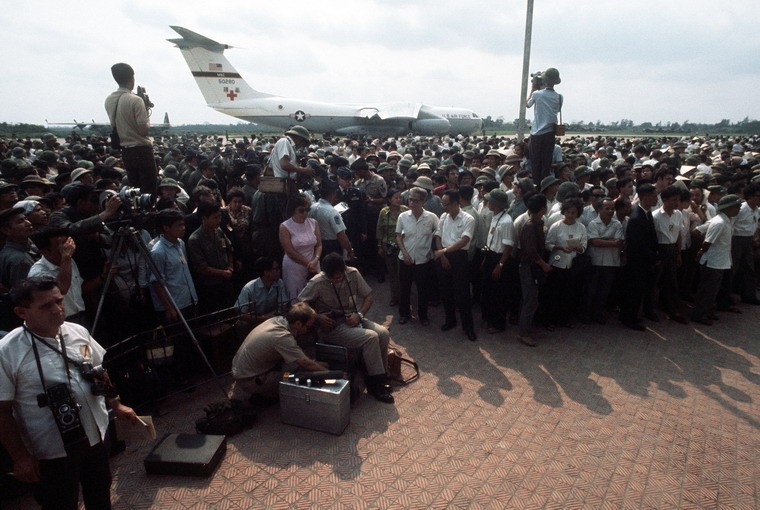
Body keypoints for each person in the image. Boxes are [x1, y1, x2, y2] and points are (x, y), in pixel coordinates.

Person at [0, 277, 138, 510]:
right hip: (51, 453)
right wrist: (20, 457)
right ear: (21, 312)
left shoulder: (77, 332)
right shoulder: (7, 351)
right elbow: (2, 412)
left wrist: (116, 404)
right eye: (46, 306)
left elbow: (98, 371)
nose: (57, 310)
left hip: (95, 438)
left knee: (100, 496)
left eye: (59, 301)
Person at [297, 253, 394, 403]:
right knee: (370, 337)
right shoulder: (317, 282)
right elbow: (299, 305)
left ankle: (382, 375)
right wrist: (317, 317)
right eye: (334, 278)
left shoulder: (353, 274)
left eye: (340, 276)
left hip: (353, 318)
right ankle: (375, 384)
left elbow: (368, 296)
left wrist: (359, 315)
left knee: (382, 333)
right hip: (333, 326)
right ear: (326, 275)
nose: (338, 280)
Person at [230, 302, 328, 402]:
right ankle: (263, 394)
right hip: (251, 379)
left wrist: (318, 365)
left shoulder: (277, 321)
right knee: (298, 373)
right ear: (298, 323)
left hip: (243, 371)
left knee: (297, 363)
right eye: (308, 327)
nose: (308, 330)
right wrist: (330, 374)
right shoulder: (282, 337)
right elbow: (305, 363)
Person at [104, 63, 158, 195]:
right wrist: (146, 112)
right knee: (149, 191)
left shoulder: (109, 100)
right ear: (132, 78)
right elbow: (143, 131)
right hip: (142, 150)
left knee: (135, 191)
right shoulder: (136, 100)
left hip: (126, 152)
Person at [691, 195, 743, 325]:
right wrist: (701, 254)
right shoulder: (719, 223)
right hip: (713, 262)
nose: (739, 209)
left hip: (721, 261)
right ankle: (699, 314)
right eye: (737, 207)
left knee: (713, 290)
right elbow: (707, 242)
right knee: (707, 290)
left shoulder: (726, 220)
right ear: (729, 208)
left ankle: (707, 311)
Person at [434, 190, 477, 341]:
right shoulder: (444, 217)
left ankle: (468, 327)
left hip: (459, 257)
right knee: (445, 291)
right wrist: (443, 254)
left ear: (455, 203)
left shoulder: (468, 218)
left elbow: (464, 241)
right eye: (442, 203)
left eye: (445, 204)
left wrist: (443, 251)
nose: (443, 207)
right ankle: (450, 320)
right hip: (444, 256)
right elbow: (438, 236)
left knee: (462, 294)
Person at [619, 184, 660, 330]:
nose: (656, 198)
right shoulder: (636, 217)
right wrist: (653, 257)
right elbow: (638, 244)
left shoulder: (647, 213)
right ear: (645, 197)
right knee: (633, 291)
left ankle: (633, 315)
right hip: (637, 262)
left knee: (639, 291)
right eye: (654, 196)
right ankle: (629, 319)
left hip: (645, 261)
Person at [395, 187, 438, 326]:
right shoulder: (403, 217)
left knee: (423, 290)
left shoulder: (431, 218)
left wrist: (435, 253)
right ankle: (404, 314)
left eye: (415, 200)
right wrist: (405, 253)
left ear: (423, 201)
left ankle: (423, 316)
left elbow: (437, 235)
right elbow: (398, 237)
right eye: (410, 199)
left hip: (423, 260)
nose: (412, 203)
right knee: (404, 289)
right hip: (405, 259)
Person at [544, 198, 588, 328]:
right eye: (568, 212)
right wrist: (559, 248)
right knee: (554, 293)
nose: (570, 215)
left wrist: (577, 248)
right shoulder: (556, 226)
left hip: (572, 266)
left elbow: (584, 245)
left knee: (568, 294)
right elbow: (547, 244)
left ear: (577, 213)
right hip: (557, 264)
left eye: (573, 212)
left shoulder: (581, 227)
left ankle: (564, 319)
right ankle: (550, 320)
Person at [186, 200, 235, 314]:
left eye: (219, 217)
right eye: (215, 218)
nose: (219, 220)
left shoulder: (218, 231)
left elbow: (229, 249)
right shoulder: (195, 240)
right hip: (210, 287)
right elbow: (201, 268)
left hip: (226, 282)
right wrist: (222, 272)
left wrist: (230, 266)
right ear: (204, 218)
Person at [582, 198, 624, 324]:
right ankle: (586, 315)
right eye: (607, 208)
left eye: (612, 208)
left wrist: (603, 240)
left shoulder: (617, 224)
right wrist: (611, 242)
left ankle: (598, 314)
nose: (610, 211)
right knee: (590, 290)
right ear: (599, 209)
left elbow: (619, 242)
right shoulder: (593, 224)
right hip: (595, 262)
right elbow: (594, 242)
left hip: (611, 262)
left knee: (604, 291)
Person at [518, 194, 552, 346]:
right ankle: (523, 333)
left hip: (533, 267)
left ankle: (526, 327)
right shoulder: (530, 226)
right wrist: (543, 264)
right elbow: (531, 251)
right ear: (543, 209)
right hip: (529, 267)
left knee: (532, 299)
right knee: (530, 300)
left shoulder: (538, 223)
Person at [480, 189, 515, 334]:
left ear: (496, 204)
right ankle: (488, 319)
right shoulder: (494, 216)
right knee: (488, 290)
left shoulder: (506, 221)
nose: (487, 202)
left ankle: (498, 323)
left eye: (490, 201)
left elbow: (508, 247)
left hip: (500, 258)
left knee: (498, 294)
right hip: (490, 254)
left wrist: (500, 265)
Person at [280, 195, 322, 301]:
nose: (305, 213)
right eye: (301, 211)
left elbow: (319, 245)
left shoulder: (313, 223)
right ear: (293, 211)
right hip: (294, 267)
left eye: (307, 210)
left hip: (313, 263)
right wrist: (308, 263)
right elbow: (289, 251)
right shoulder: (285, 226)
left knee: (316, 296)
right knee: (296, 298)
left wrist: (316, 259)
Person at [527, 67, 562, 183]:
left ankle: (536, 183)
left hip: (537, 132)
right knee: (546, 161)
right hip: (550, 132)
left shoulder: (537, 94)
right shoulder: (559, 97)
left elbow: (527, 104)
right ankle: (545, 182)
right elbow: (555, 110)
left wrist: (533, 89)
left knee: (535, 161)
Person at [376, 188, 408, 306]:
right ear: (389, 199)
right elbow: (379, 229)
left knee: (402, 273)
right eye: (396, 197)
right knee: (392, 273)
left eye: (400, 197)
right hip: (388, 245)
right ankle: (395, 297)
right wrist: (380, 246)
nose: (398, 199)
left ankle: (405, 297)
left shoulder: (405, 210)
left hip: (403, 246)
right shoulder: (384, 212)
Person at [0, 207, 36, 292]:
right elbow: (25, 294)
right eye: (20, 222)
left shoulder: (28, 246)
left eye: (26, 219)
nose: (28, 223)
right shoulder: (19, 260)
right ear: (6, 230)